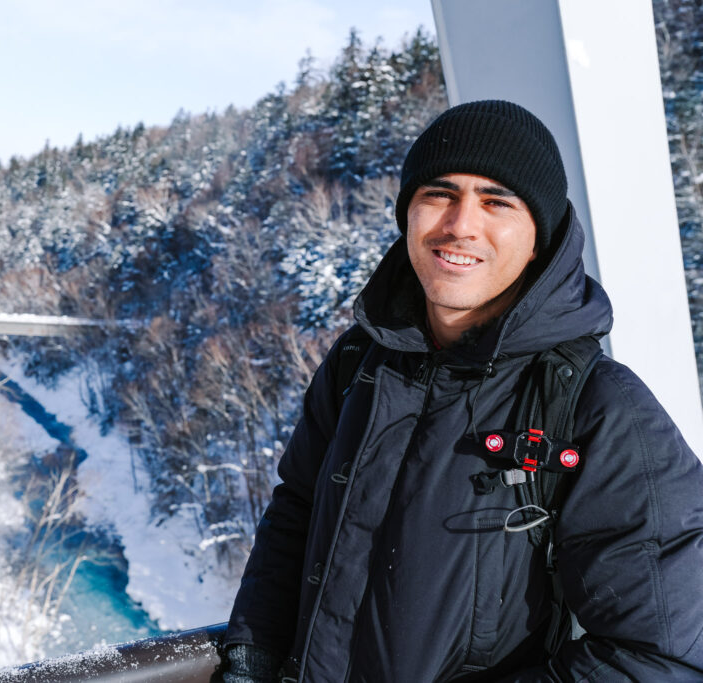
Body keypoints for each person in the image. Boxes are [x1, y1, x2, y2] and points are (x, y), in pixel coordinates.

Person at [222, 100, 703, 682]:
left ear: (538, 240)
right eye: (439, 194)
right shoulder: (359, 363)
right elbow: (297, 509)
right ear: (407, 214)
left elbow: (661, 655)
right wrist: (251, 655)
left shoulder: (599, 408)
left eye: (497, 201)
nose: (460, 225)